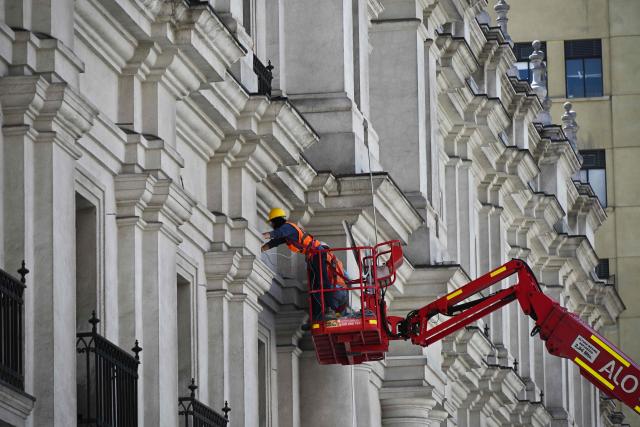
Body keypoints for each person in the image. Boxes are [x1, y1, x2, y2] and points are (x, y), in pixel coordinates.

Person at [260, 208, 350, 322]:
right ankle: (317, 317)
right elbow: (274, 242)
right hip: (313, 257)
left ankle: (331, 309)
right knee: (314, 287)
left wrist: (260, 236)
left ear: (275, 221)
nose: (272, 225)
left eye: (272, 222)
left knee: (322, 282)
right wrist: (261, 249)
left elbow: (276, 234)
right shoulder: (287, 234)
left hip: (318, 253)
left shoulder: (288, 227)